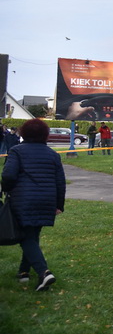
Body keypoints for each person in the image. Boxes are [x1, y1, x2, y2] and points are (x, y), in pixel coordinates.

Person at [1, 118, 65, 291]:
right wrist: (59, 204)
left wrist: (5, 189)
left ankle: (44, 272)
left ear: (24, 133)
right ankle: (23, 272)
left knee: (26, 237)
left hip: (23, 200)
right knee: (32, 235)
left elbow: (8, 176)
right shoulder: (53, 155)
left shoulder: (16, 151)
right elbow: (60, 183)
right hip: (47, 201)